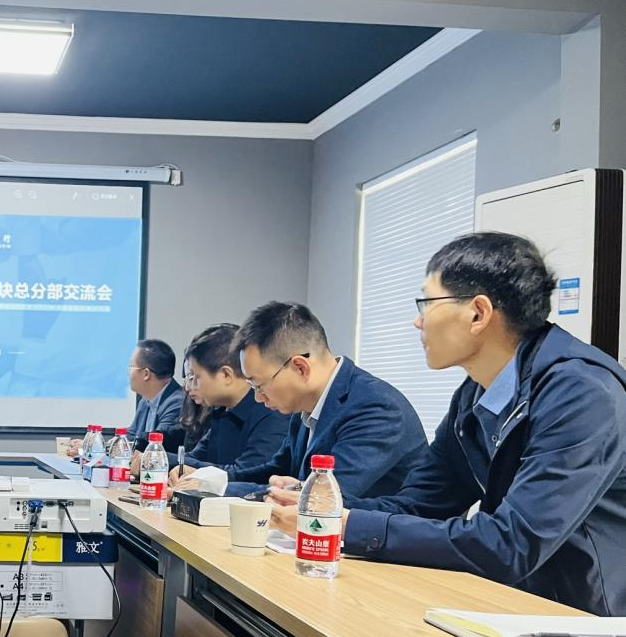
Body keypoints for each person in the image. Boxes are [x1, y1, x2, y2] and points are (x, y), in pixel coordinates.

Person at [271, 233, 626, 617]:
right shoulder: (475, 394)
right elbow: (420, 504)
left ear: (478, 313)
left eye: (426, 303)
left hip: (592, 621)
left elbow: (512, 544)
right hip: (521, 607)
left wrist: (347, 525)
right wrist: (324, 508)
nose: (417, 321)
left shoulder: (582, 392)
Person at [225, 302, 426, 500]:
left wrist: (232, 490)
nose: (258, 397)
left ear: (300, 368)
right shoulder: (305, 405)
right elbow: (278, 471)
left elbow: (325, 497)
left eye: (259, 385)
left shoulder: (376, 408)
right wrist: (218, 483)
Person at [167, 323, 287, 483]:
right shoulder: (223, 411)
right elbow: (196, 457)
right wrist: (160, 459)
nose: (189, 387)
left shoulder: (270, 411)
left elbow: (247, 474)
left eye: (196, 377)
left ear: (226, 375)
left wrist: (194, 471)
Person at [126, 338, 186, 452]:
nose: (128, 373)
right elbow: (130, 437)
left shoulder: (177, 403)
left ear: (146, 374)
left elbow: (156, 445)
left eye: (131, 367)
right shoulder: (145, 400)